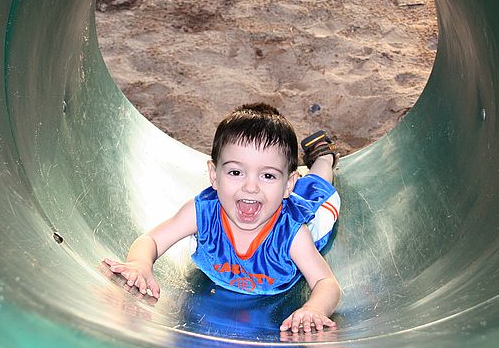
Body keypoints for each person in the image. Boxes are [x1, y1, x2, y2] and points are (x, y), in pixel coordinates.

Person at [102, 103, 341, 333]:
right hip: (274, 201)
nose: (250, 186)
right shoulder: (202, 212)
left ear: (288, 184)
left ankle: (323, 157)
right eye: (236, 172)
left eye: (268, 175)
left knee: (315, 186)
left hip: (309, 215)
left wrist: (314, 308)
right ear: (214, 175)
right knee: (297, 186)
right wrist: (140, 263)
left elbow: (326, 283)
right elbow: (151, 240)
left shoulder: (294, 233)